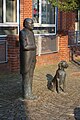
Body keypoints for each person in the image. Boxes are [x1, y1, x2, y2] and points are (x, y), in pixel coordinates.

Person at [19, 18, 37, 100]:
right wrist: (34, 46)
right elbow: (25, 46)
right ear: (26, 24)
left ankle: (29, 92)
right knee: (26, 74)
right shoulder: (22, 33)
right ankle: (26, 94)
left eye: (32, 23)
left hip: (32, 56)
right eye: (31, 23)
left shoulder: (31, 33)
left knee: (31, 74)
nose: (33, 25)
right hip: (26, 57)